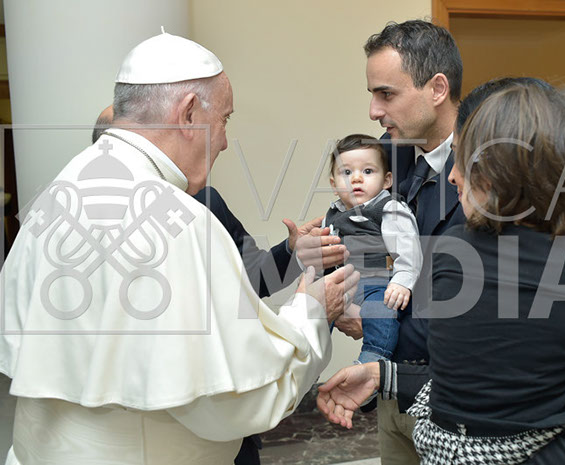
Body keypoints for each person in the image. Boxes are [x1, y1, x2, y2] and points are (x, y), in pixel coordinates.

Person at [0, 31, 360, 465]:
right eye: (225, 119)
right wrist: (311, 310)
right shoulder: (177, 221)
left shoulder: (56, 196)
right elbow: (239, 402)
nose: (224, 141)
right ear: (189, 113)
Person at [318, 77, 565, 465]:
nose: (452, 176)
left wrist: (385, 373)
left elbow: (473, 379)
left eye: (463, 161)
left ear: (500, 175)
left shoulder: (454, 250)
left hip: (446, 449)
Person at [91, 110, 348, 465]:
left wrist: (292, 250)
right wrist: (311, 312)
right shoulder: (102, 229)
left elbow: (252, 277)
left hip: (235, 428)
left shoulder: (205, 201)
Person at [331, 20, 466, 464]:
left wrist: (376, 323)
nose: (373, 110)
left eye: (386, 94)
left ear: (438, 88)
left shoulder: (488, 170)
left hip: (455, 401)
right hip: (391, 396)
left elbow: (473, 296)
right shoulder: (387, 155)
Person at [324, 134, 421, 364]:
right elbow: (324, 253)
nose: (356, 178)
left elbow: (408, 250)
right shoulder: (333, 214)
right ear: (334, 184)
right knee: (316, 308)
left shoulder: (389, 209)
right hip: (343, 282)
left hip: (376, 283)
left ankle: (374, 356)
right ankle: (305, 355)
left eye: (368, 171)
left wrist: (402, 281)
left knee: (382, 310)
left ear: (387, 180)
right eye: (347, 172)